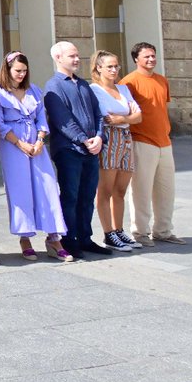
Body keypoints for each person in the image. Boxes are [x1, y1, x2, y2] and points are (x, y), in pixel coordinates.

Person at [0, 52, 69, 261]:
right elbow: (0, 124)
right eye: (17, 71)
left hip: (36, 143)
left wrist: (40, 140)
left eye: (24, 71)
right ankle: (25, 237)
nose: (21, 75)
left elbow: (42, 117)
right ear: (7, 70)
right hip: (13, 145)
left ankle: (54, 237)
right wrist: (19, 143)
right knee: (20, 189)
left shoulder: (33, 90)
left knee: (48, 186)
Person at [43, 41, 107, 260]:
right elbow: (62, 119)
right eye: (72, 56)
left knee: (87, 195)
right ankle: (69, 240)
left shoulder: (83, 84)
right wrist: (84, 140)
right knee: (70, 196)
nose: (77, 59)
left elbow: (98, 113)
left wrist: (99, 136)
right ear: (58, 58)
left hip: (91, 149)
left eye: (77, 55)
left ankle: (85, 238)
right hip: (69, 150)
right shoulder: (54, 86)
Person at [120, 42, 184, 246]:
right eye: (146, 56)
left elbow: (159, 109)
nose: (151, 59)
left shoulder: (162, 81)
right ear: (136, 59)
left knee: (166, 190)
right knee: (141, 189)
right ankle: (140, 232)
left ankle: (163, 230)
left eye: (153, 56)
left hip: (164, 142)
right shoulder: (128, 82)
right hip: (141, 141)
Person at [89, 50, 142, 253]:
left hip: (126, 138)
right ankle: (108, 232)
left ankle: (119, 230)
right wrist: (127, 115)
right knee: (106, 189)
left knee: (121, 189)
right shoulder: (95, 89)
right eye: (109, 66)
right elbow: (106, 116)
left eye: (116, 66)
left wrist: (123, 118)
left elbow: (138, 116)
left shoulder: (123, 89)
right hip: (110, 139)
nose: (114, 70)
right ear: (98, 68)